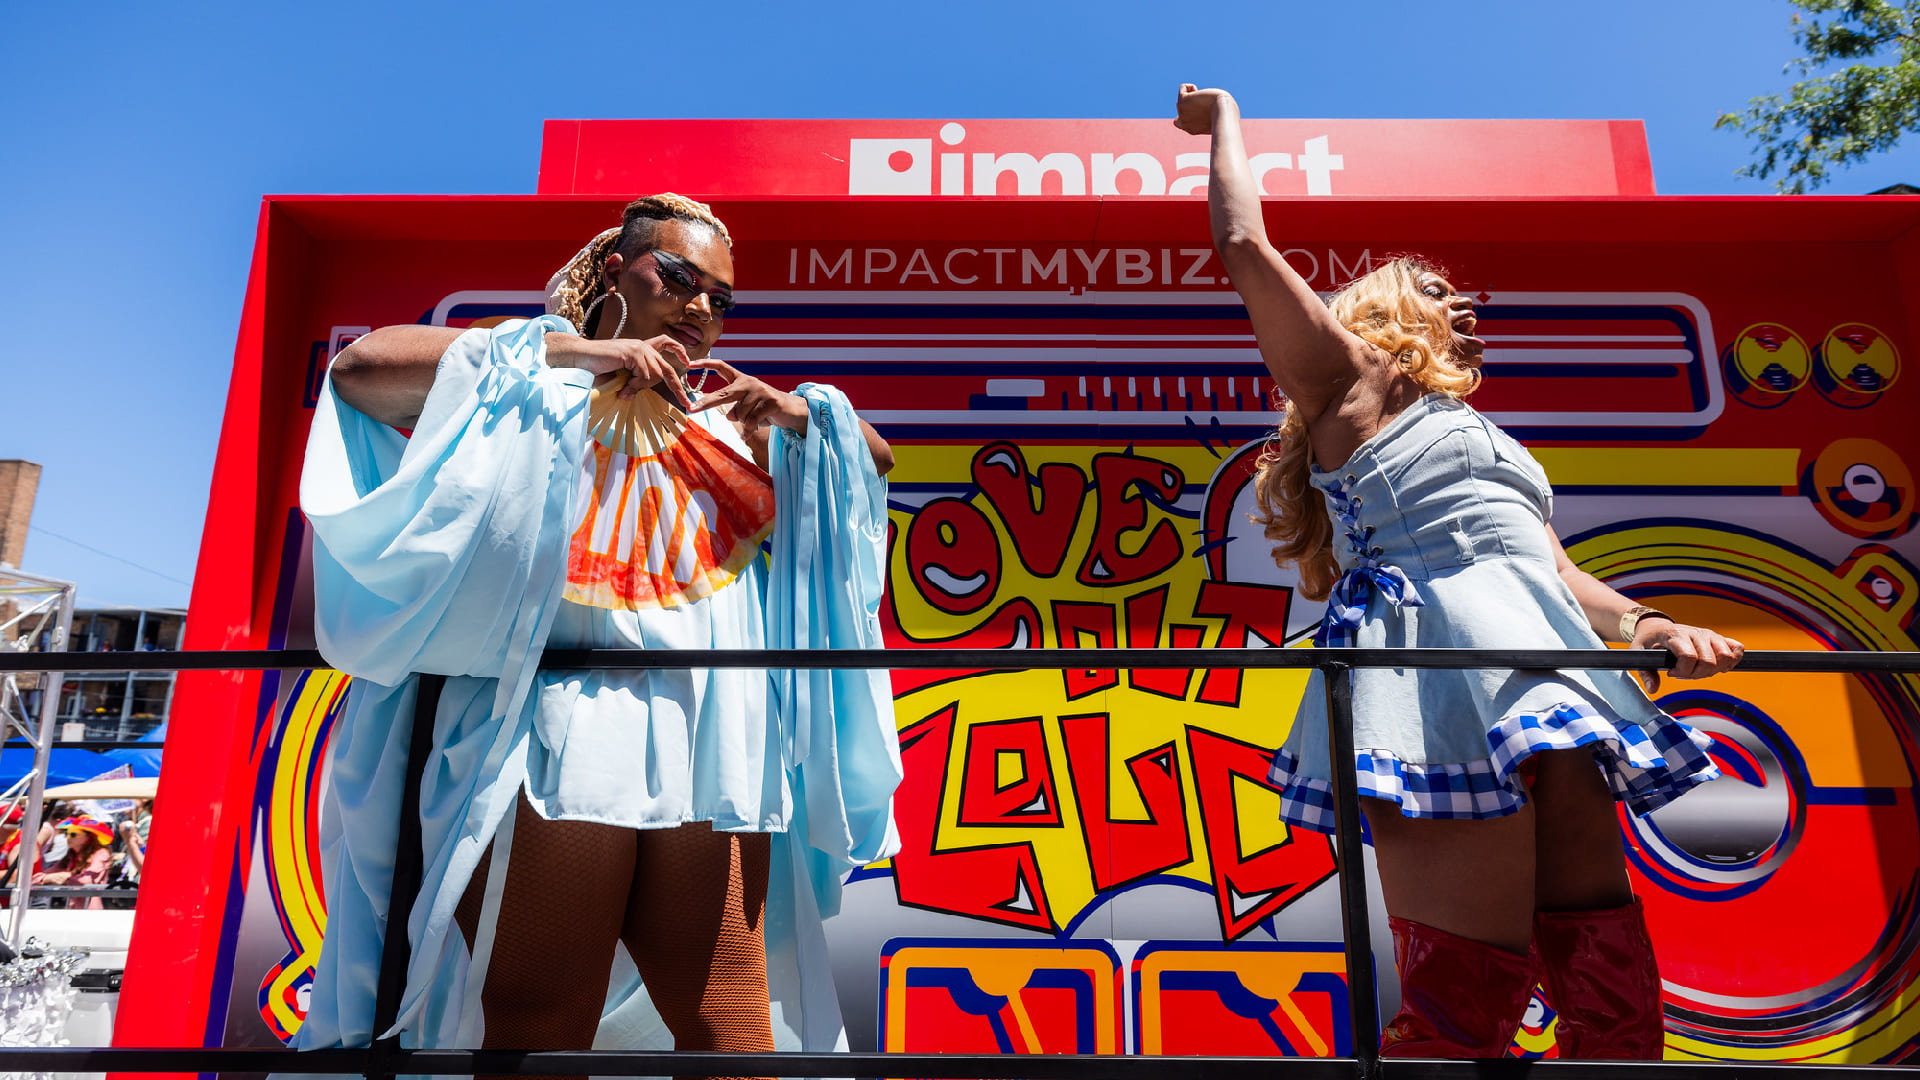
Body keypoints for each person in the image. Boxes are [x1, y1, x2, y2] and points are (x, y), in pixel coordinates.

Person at [1175, 86, 1745, 1060]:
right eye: (1441, 296)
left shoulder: (1491, 438)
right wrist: (1225, 121)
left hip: (1551, 678)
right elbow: (1243, 247)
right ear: (1385, 315)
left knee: (1613, 1001)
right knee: (1462, 1013)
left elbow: (1549, 567)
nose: (1467, 308)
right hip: (1436, 684)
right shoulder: (1346, 386)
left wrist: (1647, 627)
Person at [294, 193, 901, 1077]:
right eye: (680, 278)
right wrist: (577, 353)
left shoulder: (729, 418)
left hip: (713, 736)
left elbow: (873, 461)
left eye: (721, 298)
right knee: (543, 1012)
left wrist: (800, 412)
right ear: (617, 271)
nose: (701, 307)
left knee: (731, 1016)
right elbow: (362, 369)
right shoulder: (524, 391)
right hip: (565, 726)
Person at [34, 817, 114, 910]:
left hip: (89, 911)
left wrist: (65, 877)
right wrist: (48, 878)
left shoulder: (101, 853)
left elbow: (85, 880)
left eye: (73, 834)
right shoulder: (70, 856)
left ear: (88, 837)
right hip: (69, 908)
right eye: (66, 834)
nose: (68, 838)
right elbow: (37, 878)